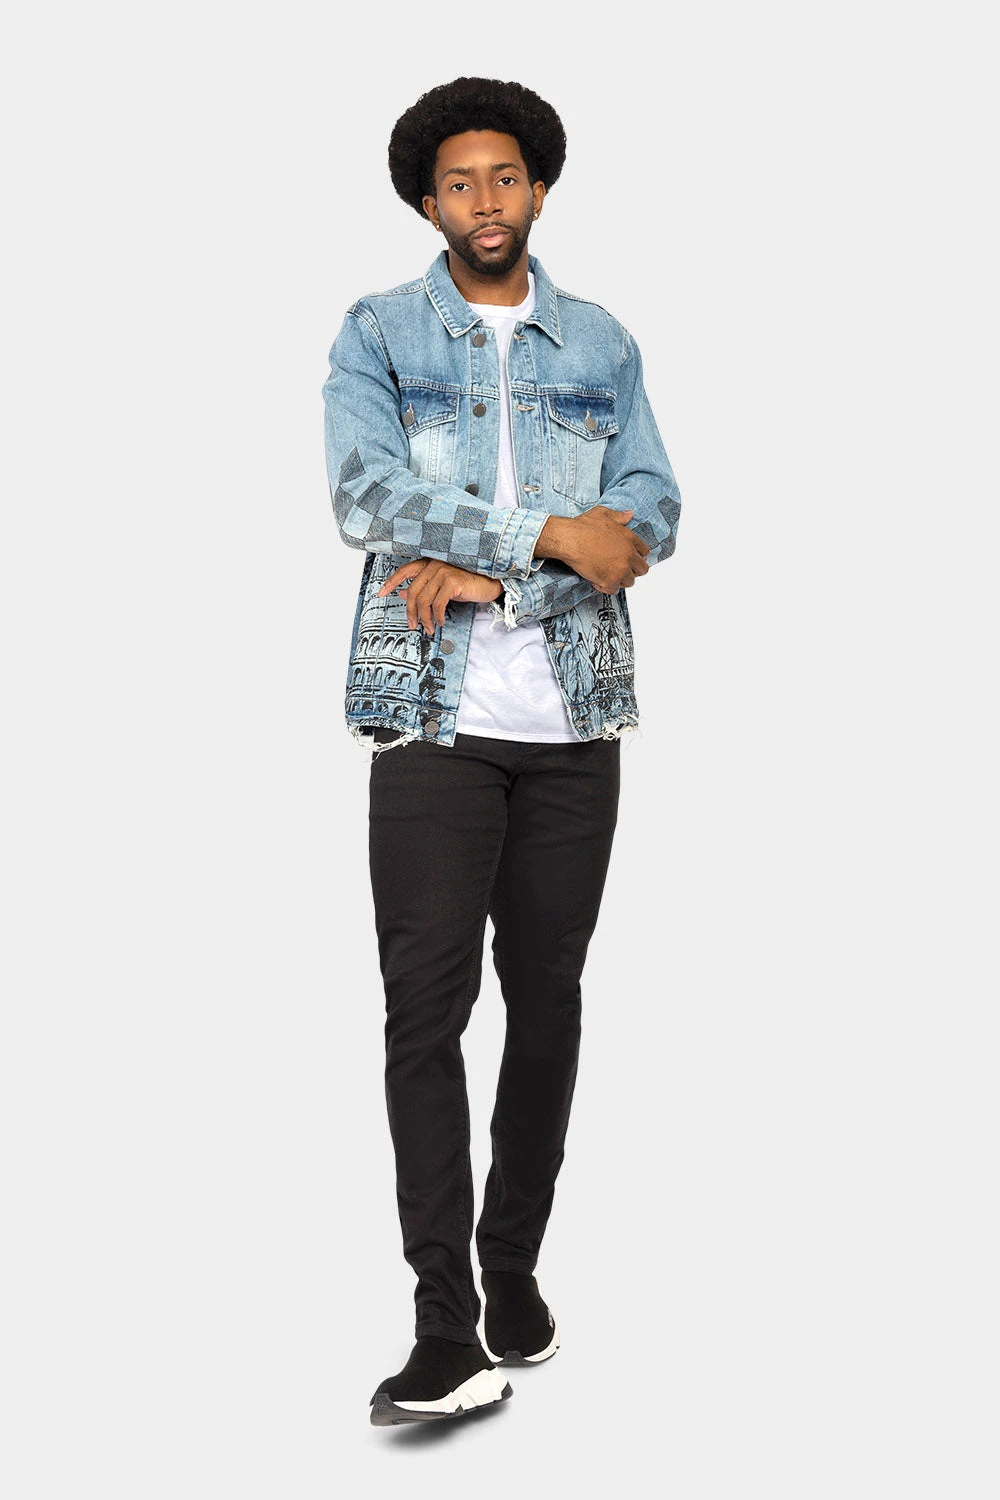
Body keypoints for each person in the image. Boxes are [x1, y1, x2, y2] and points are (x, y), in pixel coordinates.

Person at [321, 76, 682, 1427]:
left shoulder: (602, 343)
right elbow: (367, 494)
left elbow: (649, 513)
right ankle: (442, 1326)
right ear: (429, 202)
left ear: (539, 187)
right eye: (460, 182)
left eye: (506, 176)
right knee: (425, 1014)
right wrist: (543, 537)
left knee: (548, 1002)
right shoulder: (379, 333)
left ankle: (512, 1270)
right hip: (430, 719)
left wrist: (497, 576)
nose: (486, 200)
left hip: (574, 726)